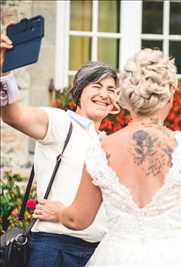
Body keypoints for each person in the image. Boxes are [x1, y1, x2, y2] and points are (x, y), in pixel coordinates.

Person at [33, 48, 181, 266]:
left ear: (125, 95)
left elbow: (78, 220)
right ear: (170, 91)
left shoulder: (100, 149)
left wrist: (60, 212)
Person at [0, 34, 119, 267]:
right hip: (55, 247)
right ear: (79, 91)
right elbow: (14, 116)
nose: (104, 94)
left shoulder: (107, 142)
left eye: (111, 89)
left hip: (99, 251)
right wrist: (4, 72)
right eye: (97, 86)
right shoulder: (60, 123)